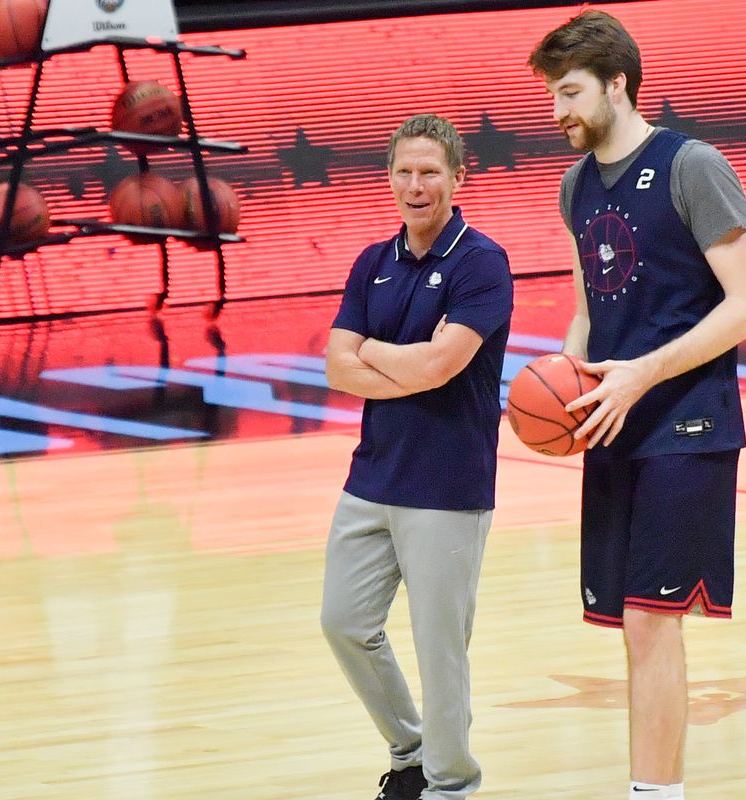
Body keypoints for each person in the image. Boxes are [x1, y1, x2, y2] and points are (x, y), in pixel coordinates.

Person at [527, 11, 746, 800]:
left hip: (688, 421)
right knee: (630, 629)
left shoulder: (691, 166)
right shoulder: (573, 184)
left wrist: (643, 373)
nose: (556, 110)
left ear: (618, 83)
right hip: (613, 423)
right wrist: (562, 378)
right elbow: (591, 313)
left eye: (568, 92)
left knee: (649, 621)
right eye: (551, 94)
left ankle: (655, 794)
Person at [321, 113, 514, 800]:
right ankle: (411, 753)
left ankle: (450, 785)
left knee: (441, 651)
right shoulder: (373, 261)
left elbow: (442, 365)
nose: (415, 184)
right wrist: (384, 357)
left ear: (459, 177)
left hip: (447, 484)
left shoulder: (482, 262)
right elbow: (337, 368)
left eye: (430, 171)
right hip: (372, 476)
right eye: (404, 171)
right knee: (343, 623)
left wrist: (371, 351)